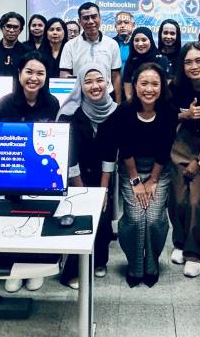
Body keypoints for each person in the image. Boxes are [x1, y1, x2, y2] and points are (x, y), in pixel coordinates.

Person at [105, 62, 177, 287]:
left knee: (153, 218)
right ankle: (135, 265)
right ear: (135, 86)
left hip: (159, 169)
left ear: (162, 86)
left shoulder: (169, 111)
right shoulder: (124, 111)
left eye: (155, 84)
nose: (149, 89)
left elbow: (165, 148)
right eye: (144, 83)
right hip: (131, 169)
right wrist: (136, 181)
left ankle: (152, 264)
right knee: (136, 218)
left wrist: (153, 180)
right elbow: (124, 148)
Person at [56, 65, 117, 288]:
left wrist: (103, 190)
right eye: (88, 81)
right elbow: (69, 155)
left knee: (103, 214)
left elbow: (111, 152)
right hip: (74, 175)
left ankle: (99, 260)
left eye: (99, 80)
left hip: (101, 174)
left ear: (107, 82)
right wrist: (81, 189)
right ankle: (71, 271)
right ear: (80, 85)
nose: (94, 86)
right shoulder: (69, 113)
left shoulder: (114, 111)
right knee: (79, 216)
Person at [168, 42, 200, 277]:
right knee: (178, 199)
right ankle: (180, 242)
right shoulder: (174, 88)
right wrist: (184, 115)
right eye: (188, 62)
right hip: (180, 147)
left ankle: (194, 253)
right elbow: (164, 117)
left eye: (199, 60)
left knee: (196, 200)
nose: (194, 66)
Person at [60, 2, 123, 101]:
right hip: (80, 98)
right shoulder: (70, 46)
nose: (90, 21)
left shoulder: (112, 44)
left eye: (94, 17)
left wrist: (118, 103)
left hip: (107, 97)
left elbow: (116, 76)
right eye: (86, 18)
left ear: (100, 18)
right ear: (79, 21)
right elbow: (64, 75)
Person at [0, 52, 61, 121]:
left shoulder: (53, 103)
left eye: (40, 73)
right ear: (19, 73)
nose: (34, 78)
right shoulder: (6, 103)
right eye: (29, 72)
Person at [123, 27, 170, 100]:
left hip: (159, 102)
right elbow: (128, 94)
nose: (140, 44)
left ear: (150, 41)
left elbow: (166, 89)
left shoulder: (162, 60)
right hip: (135, 104)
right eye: (136, 40)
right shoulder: (130, 62)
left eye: (144, 40)